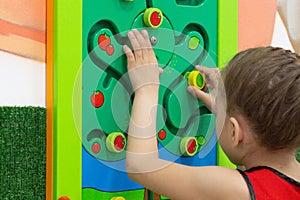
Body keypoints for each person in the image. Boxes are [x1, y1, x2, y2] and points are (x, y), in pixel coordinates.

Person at [123, 29, 300, 200]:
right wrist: (227, 107)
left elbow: (142, 166)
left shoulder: (233, 189)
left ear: (234, 132)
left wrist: (146, 88)